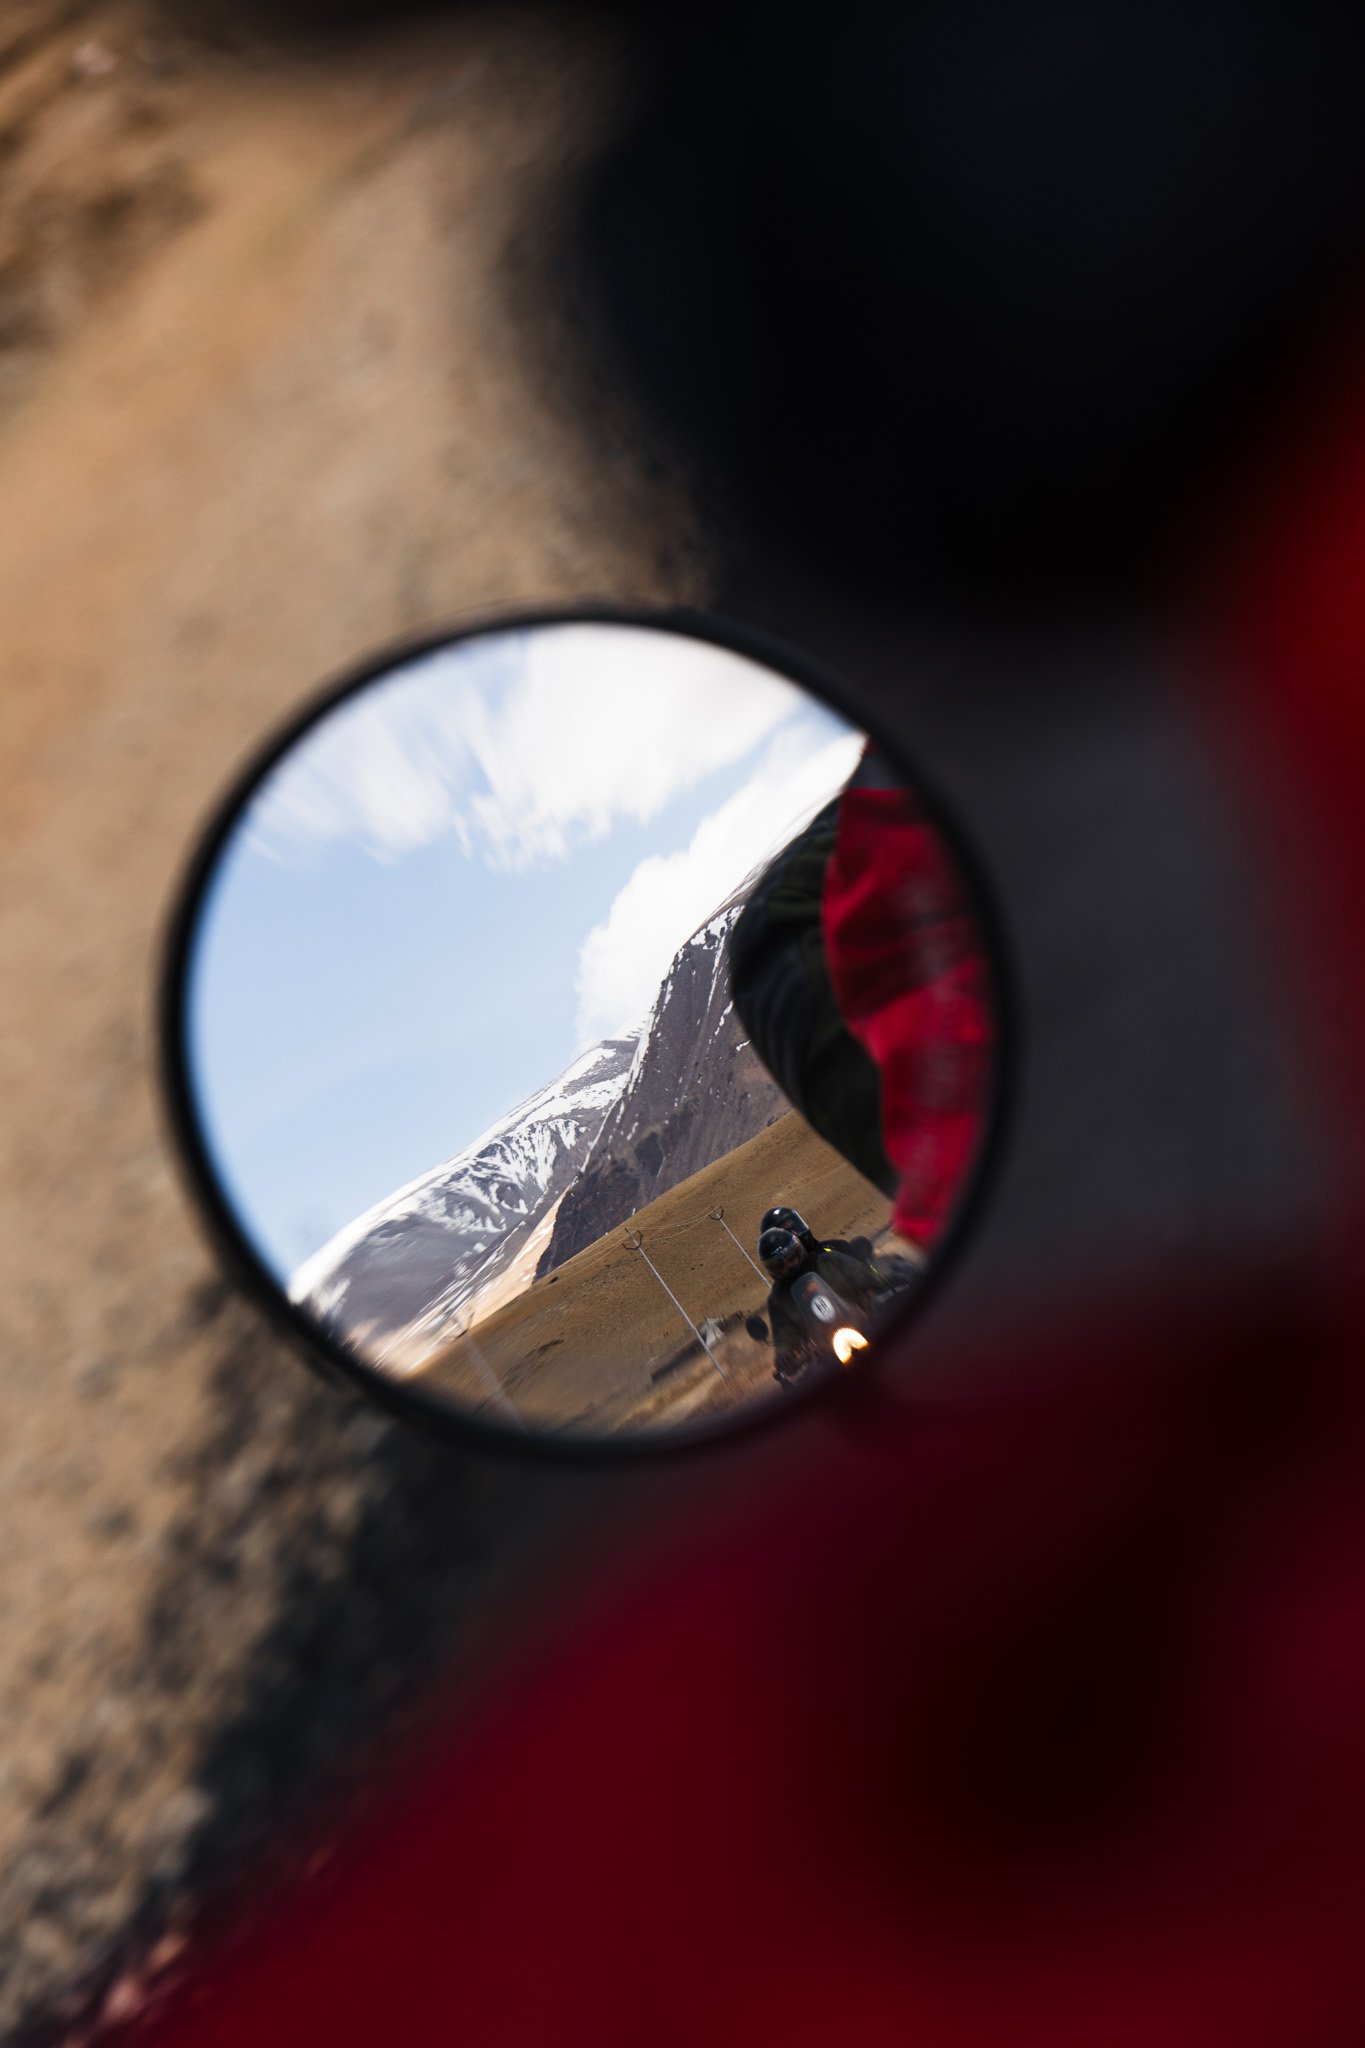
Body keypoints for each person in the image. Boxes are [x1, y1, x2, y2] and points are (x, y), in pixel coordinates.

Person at [756, 1222, 884, 1385]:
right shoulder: (778, 1299)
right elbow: (784, 1334)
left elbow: (861, 1275)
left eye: (791, 1258)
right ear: (772, 1269)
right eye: (780, 1265)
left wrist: (875, 1284)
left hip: (867, 1321)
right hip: (828, 1352)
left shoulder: (828, 1261)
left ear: (798, 1251)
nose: (789, 1265)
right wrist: (784, 1354)